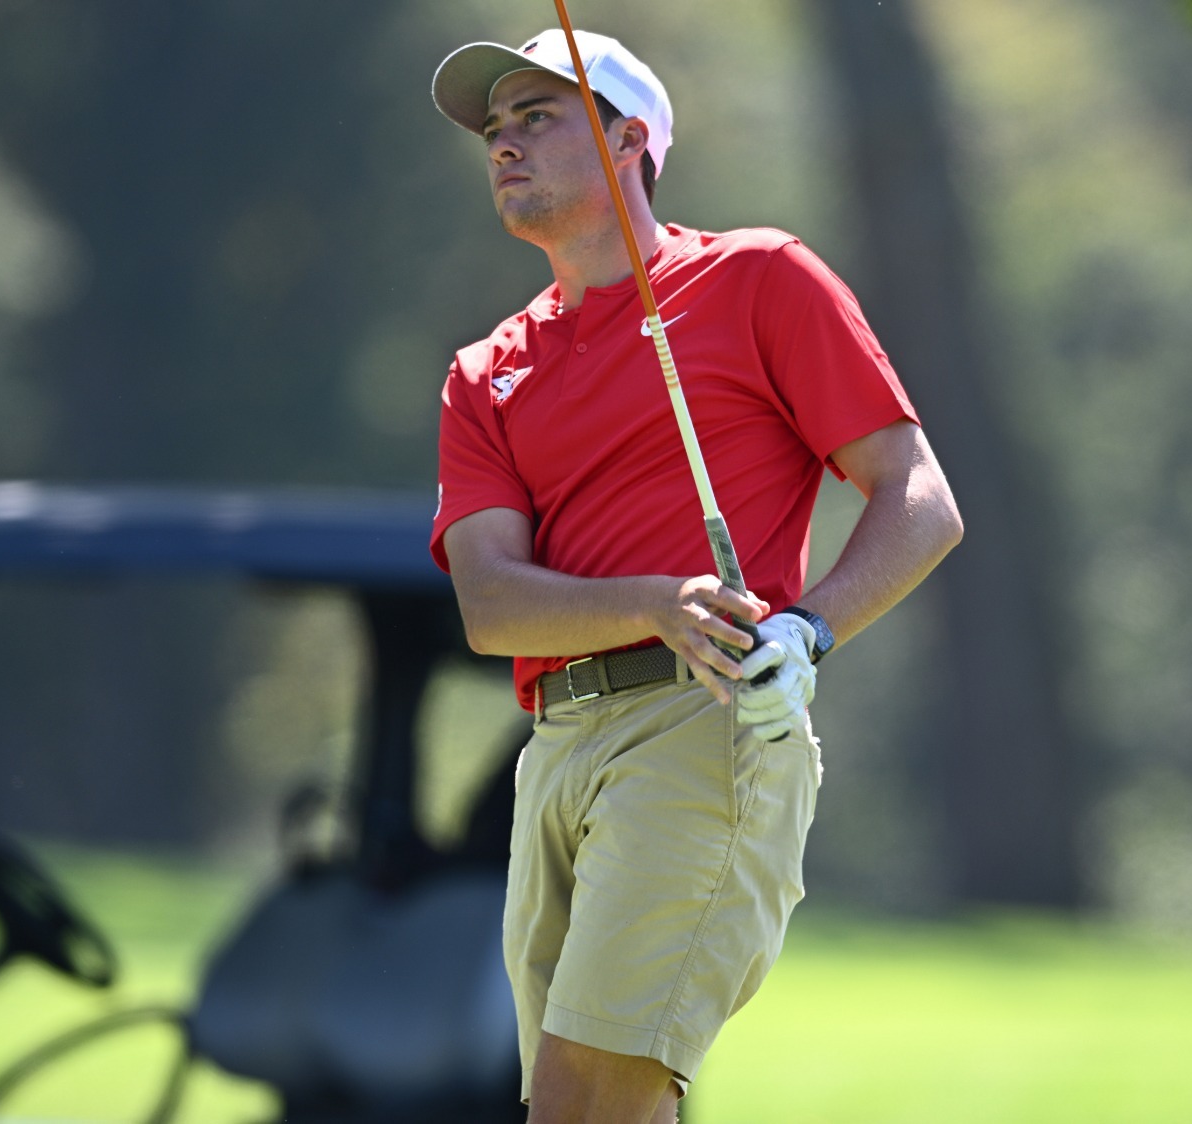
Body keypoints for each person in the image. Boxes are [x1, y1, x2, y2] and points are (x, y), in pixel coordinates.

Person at [429, 28, 962, 1124]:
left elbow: (917, 498)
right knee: (593, 1104)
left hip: (701, 725)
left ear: (630, 141)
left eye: (539, 117)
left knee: (592, 1096)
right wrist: (647, 601)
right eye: (494, 129)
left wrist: (806, 631)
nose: (504, 146)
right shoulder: (485, 372)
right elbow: (489, 603)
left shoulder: (756, 278)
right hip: (556, 754)